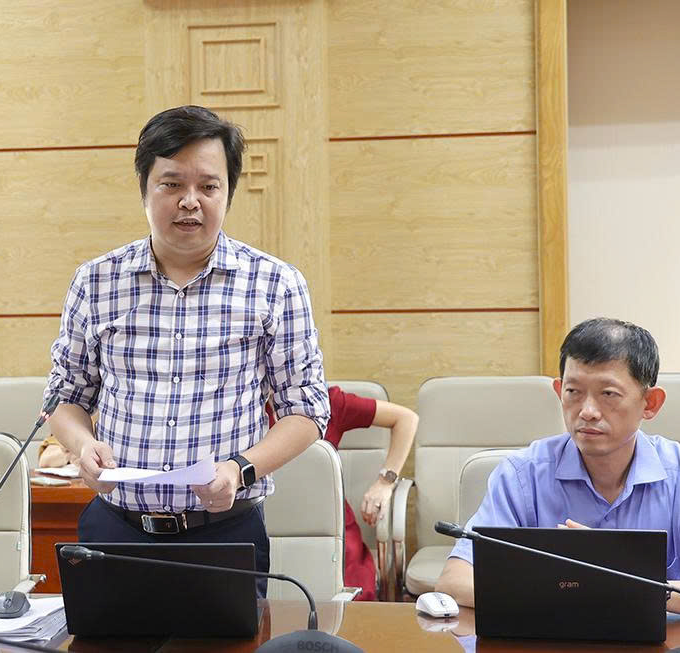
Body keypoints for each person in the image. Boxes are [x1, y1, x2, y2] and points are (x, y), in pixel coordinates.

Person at [44, 105, 330, 597]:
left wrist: (239, 469)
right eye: (171, 184)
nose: (190, 201)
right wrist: (82, 445)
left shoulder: (276, 285)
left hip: (224, 534)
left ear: (228, 193)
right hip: (114, 530)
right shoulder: (95, 282)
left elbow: (307, 412)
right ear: (144, 189)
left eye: (208, 186)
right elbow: (64, 398)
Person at [435, 317, 680, 615]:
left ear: (650, 403)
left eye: (608, 394)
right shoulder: (522, 476)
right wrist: (571, 588)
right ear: (559, 391)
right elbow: (455, 580)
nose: (587, 411)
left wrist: (625, 583)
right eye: (573, 392)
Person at [267, 386, 417, 600]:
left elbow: (406, 419)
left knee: (347, 597)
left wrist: (385, 482)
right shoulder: (243, 410)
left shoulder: (329, 401)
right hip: (268, 524)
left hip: (331, 526)